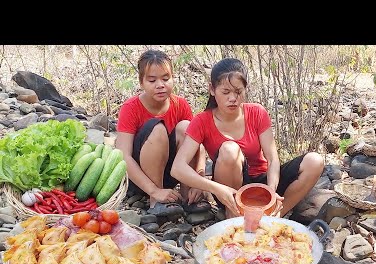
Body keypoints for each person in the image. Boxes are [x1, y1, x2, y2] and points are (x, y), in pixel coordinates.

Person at [171, 57, 324, 218]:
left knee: (314, 161)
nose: (232, 98)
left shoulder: (257, 112)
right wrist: (214, 187)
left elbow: (272, 159)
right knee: (229, 150)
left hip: (262, 181)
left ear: (245, 89)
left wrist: (271, 190)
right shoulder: (202, 121)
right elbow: (178, 168)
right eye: (225, 92)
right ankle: (234, 217)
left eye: (238, 92)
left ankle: (274, 216)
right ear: (212, 89)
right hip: (229, 191)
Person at [116, 49, 209, 215]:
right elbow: (123, 156)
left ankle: (188, 195)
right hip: (142, 177)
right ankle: (156, 201)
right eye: (152, 80)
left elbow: (197, 146)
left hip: (172, 172)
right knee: (157, 128)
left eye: (166, 79)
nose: (160, 85)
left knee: (186, 128)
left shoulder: (180, 105)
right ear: (141, 82)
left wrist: (198, 181)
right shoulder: (130, 108)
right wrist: (153, 190)